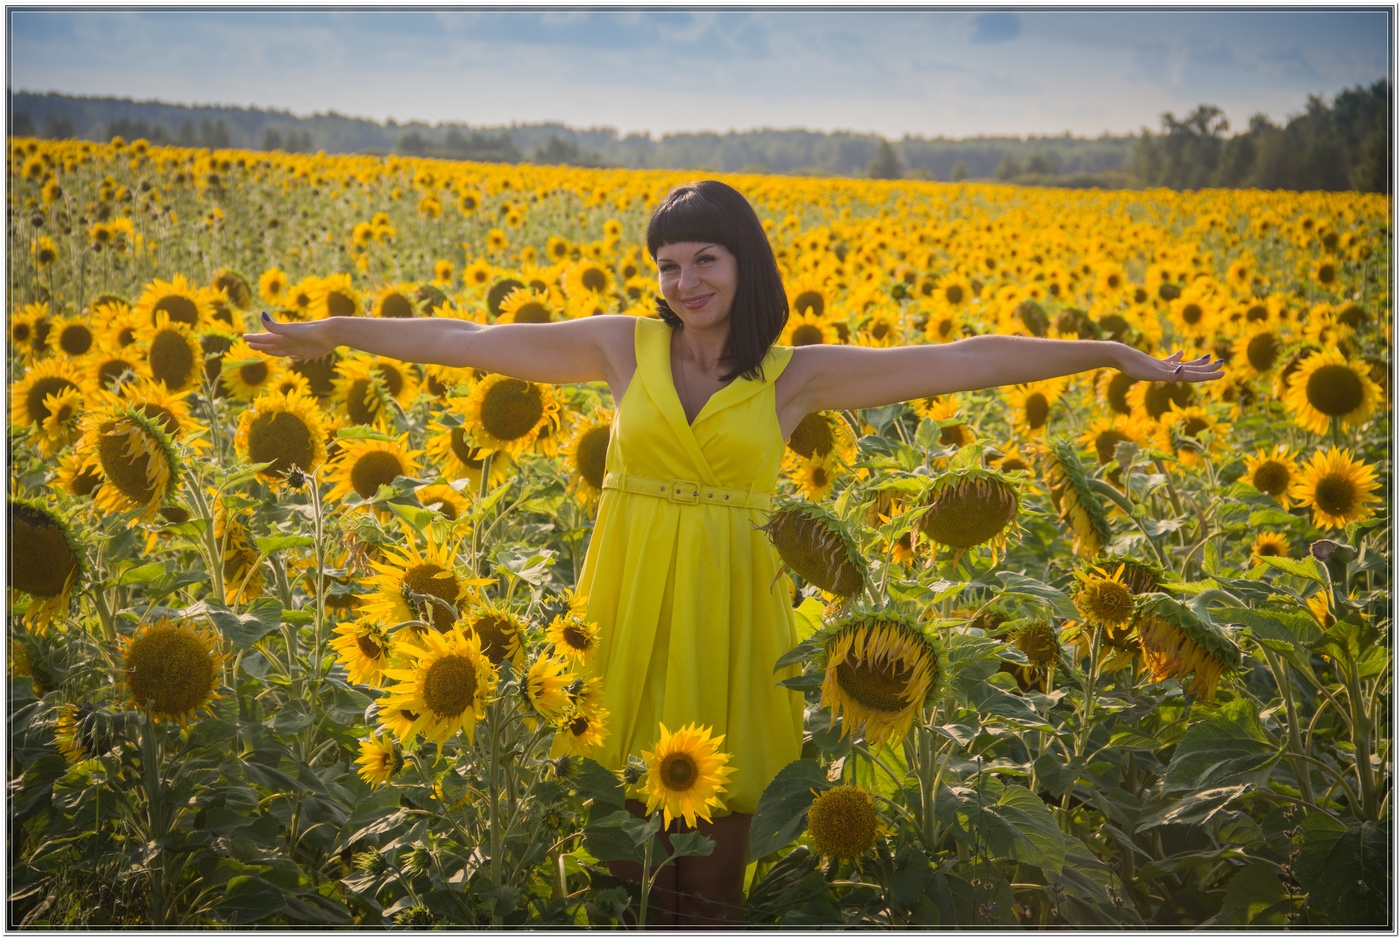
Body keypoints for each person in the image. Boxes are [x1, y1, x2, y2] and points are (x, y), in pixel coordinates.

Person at [245, 179, 1223, 926]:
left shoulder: (795, 376)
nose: (683, 283)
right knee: (617, 836)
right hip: (623, 600)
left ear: (745, 265)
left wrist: (1108, 354)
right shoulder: (620, 348)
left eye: (703, 260)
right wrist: (334, 331)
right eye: (667, 266)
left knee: (718, 851)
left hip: (733, 604)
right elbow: (466, 339)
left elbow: (965, 359)